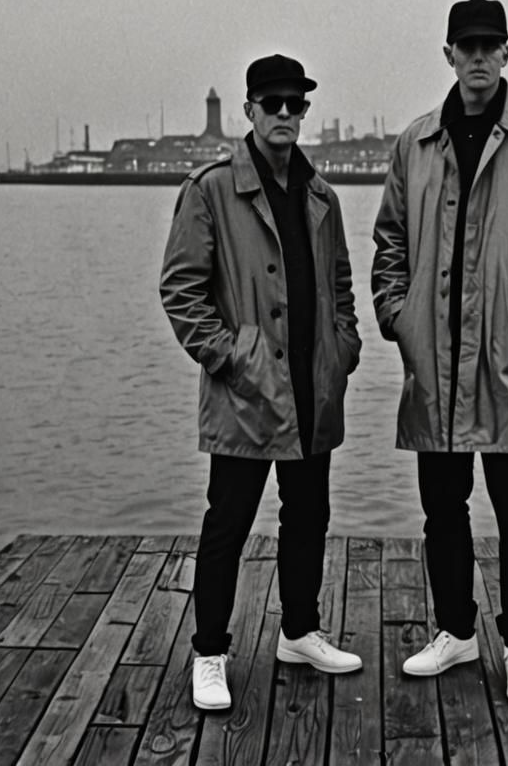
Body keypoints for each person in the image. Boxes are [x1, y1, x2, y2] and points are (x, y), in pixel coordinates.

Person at [371, 0, 508, 701]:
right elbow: (389, 243)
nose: (477, 58)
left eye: (489, 45)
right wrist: (398, 315)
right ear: (447, 55)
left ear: (506, 52)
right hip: (434, 361)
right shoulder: (414, 144)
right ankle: (457, 632)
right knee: (443, 506)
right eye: (465, 46)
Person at [161, 53, 364, 710]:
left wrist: (344, 348)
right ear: (247, 110)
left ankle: (299, 631)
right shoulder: (210, 189)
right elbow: (181, 291)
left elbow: (340, 284)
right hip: (247, 391)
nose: (284, 114)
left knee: (309, 516)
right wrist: (230, 358)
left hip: (313, 386)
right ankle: (210, 653)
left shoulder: (321, 197)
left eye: (294, 103)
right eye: (271, 102)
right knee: (229, 522)